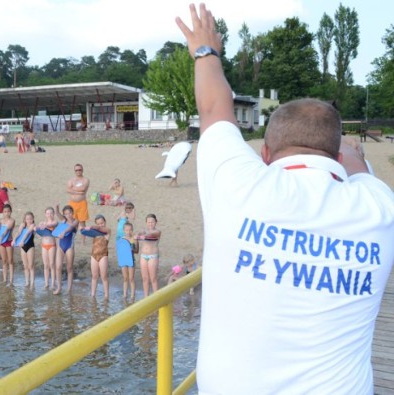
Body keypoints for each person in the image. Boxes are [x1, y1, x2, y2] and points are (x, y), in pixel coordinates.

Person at [176, 4, 394, 393]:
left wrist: (205, 50)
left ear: (265, 155)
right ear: (338, 158)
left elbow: (213, 108)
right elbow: (359, 166)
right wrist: (346, 147)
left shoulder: (239, 186)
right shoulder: (378, 207)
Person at [53, 204, 78, 295]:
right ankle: (59, 287)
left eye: (69, 213)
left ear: (72, 213)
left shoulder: (75, 222)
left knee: (69, 268)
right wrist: (56, 208)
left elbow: (71, 227)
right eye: (66, 214)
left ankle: (69, 289)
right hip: (60, 246)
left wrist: (64, 232)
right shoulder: (63, 220)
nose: (68, 215)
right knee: (58, 267)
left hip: (69, 246)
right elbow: (57, 213)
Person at [85, 214, 111, 300]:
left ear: (105, 222)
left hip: (103, 255)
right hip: (94, 255)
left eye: (102, 223)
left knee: (103, 276)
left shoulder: (107, 231)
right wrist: (84, 229)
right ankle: (93, 294)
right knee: (94, 276)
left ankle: (106, 295)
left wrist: (93, 226)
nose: (100, 225)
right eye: (98, 223)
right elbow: (86, 232)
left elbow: (100, 229)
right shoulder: (94, 234)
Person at [137, 213, 161, 297]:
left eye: (152, 222)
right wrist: (139, 234)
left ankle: (156, 297)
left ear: (156, 222)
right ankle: (146, 297)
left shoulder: (157, 231)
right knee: (145, 278)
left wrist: (145, 236)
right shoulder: (144, 230)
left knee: (153, 278)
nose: (150, 224)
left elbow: (152, 235)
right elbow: (140, 233)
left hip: (153, 256)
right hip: (143, 256)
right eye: (149, 222)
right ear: (146, 223)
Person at [0, 204, 15, 285]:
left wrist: (1, 238)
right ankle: (5, 279)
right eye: (5, 211)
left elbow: (7, 229)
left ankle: (11, 280)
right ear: (2, 212)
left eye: (8, 211)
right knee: (4, 261)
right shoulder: (0, 221)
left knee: (10, 260)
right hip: (1, 242)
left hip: (8, 241)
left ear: (11, 212)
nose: (6, 213)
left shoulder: (12, 220)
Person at [38, 206, 58, 290]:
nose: (49, 215)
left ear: (53, 214)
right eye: (47, 213)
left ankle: (53, 283)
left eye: (51, 213)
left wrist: (44, 225)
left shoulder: (55, 222)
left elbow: (51, 225)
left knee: (52, 264)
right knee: (46, 265)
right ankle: (46, 283)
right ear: (45, 214)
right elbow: (39, 228)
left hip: (52, 245)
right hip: (44, 245)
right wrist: (41, 225)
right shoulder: (42, 222)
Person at [66, 163, 90, 233]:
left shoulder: (85, 179)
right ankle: (73, 236)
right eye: (76, 170)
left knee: (82, 222)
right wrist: (78, 192)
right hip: (72, 203)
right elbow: (67, 190)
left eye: (80, 170)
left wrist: (72, 188)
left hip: (82, 203)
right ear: (74, 171)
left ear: (82, 170)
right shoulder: (71, 180)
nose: (78, 171)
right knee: (72, 221)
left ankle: (83, 240)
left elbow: (83, 188)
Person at [15, 211, 36, 288]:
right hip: (22, 247)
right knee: (25, 266)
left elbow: (27, 233)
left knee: (31, 265)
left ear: (33, 219)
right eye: (27, 219)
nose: (29, 220)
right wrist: (14, 240)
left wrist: (22, 241)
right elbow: (18, 233)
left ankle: (32, 282)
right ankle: (27, 282)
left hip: (30, 246)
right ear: (25, 219)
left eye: (30, 219)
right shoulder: (23, 225)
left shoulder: (33, 226)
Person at [119, 221, 138, 301]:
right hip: (123, 260)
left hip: (131, 260)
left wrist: (132, 248)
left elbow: (136, 251)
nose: (128, 231)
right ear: (124, 230)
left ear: (132, 230)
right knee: (125, 278)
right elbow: (119, 251)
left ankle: (132, 295)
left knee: (131, 278)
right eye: (127, 230)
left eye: (130, 230)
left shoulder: (134, 239)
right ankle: (125, 295)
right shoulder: (121, 239)